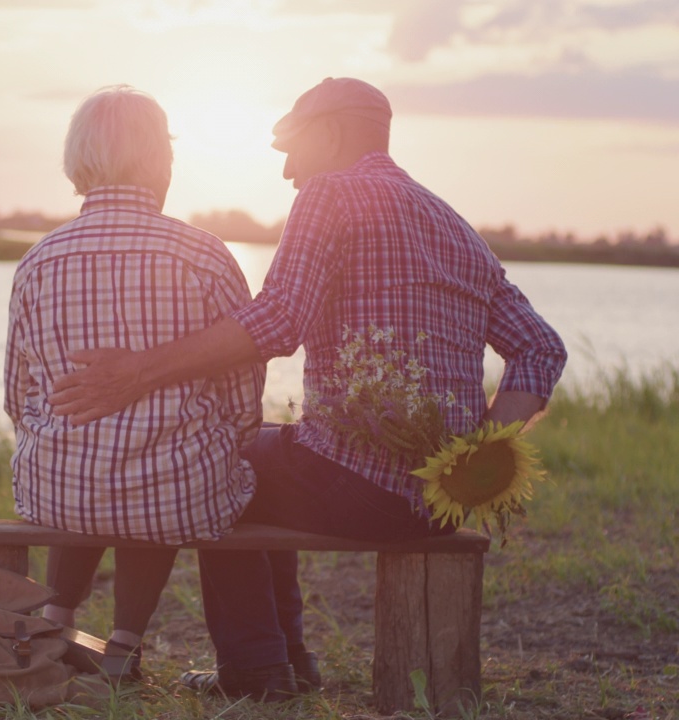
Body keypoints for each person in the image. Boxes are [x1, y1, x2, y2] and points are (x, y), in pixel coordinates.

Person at [48, 77, 568, 700]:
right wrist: (477, 456)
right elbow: (542, 347)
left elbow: (279, 319)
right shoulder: (454, 225)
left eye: (293, 149)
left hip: (356, 486)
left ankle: (258, 671)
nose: (290, 171)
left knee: (220, 466)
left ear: (331, 132)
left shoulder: (330, 193)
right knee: (266, 453)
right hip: (434, 503)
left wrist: (138, 371)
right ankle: (290, 662)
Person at [4, 85, 266, 681]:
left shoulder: (40, 260)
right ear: (159, 162)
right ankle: (122, 645)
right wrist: (227, 434)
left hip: (55, 488)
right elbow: (244, 386)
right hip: (174, 491)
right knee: (159, 471)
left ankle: (55, 616)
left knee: (98, 465)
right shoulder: (204, 254)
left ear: (77, 164)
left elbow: (17, 395)